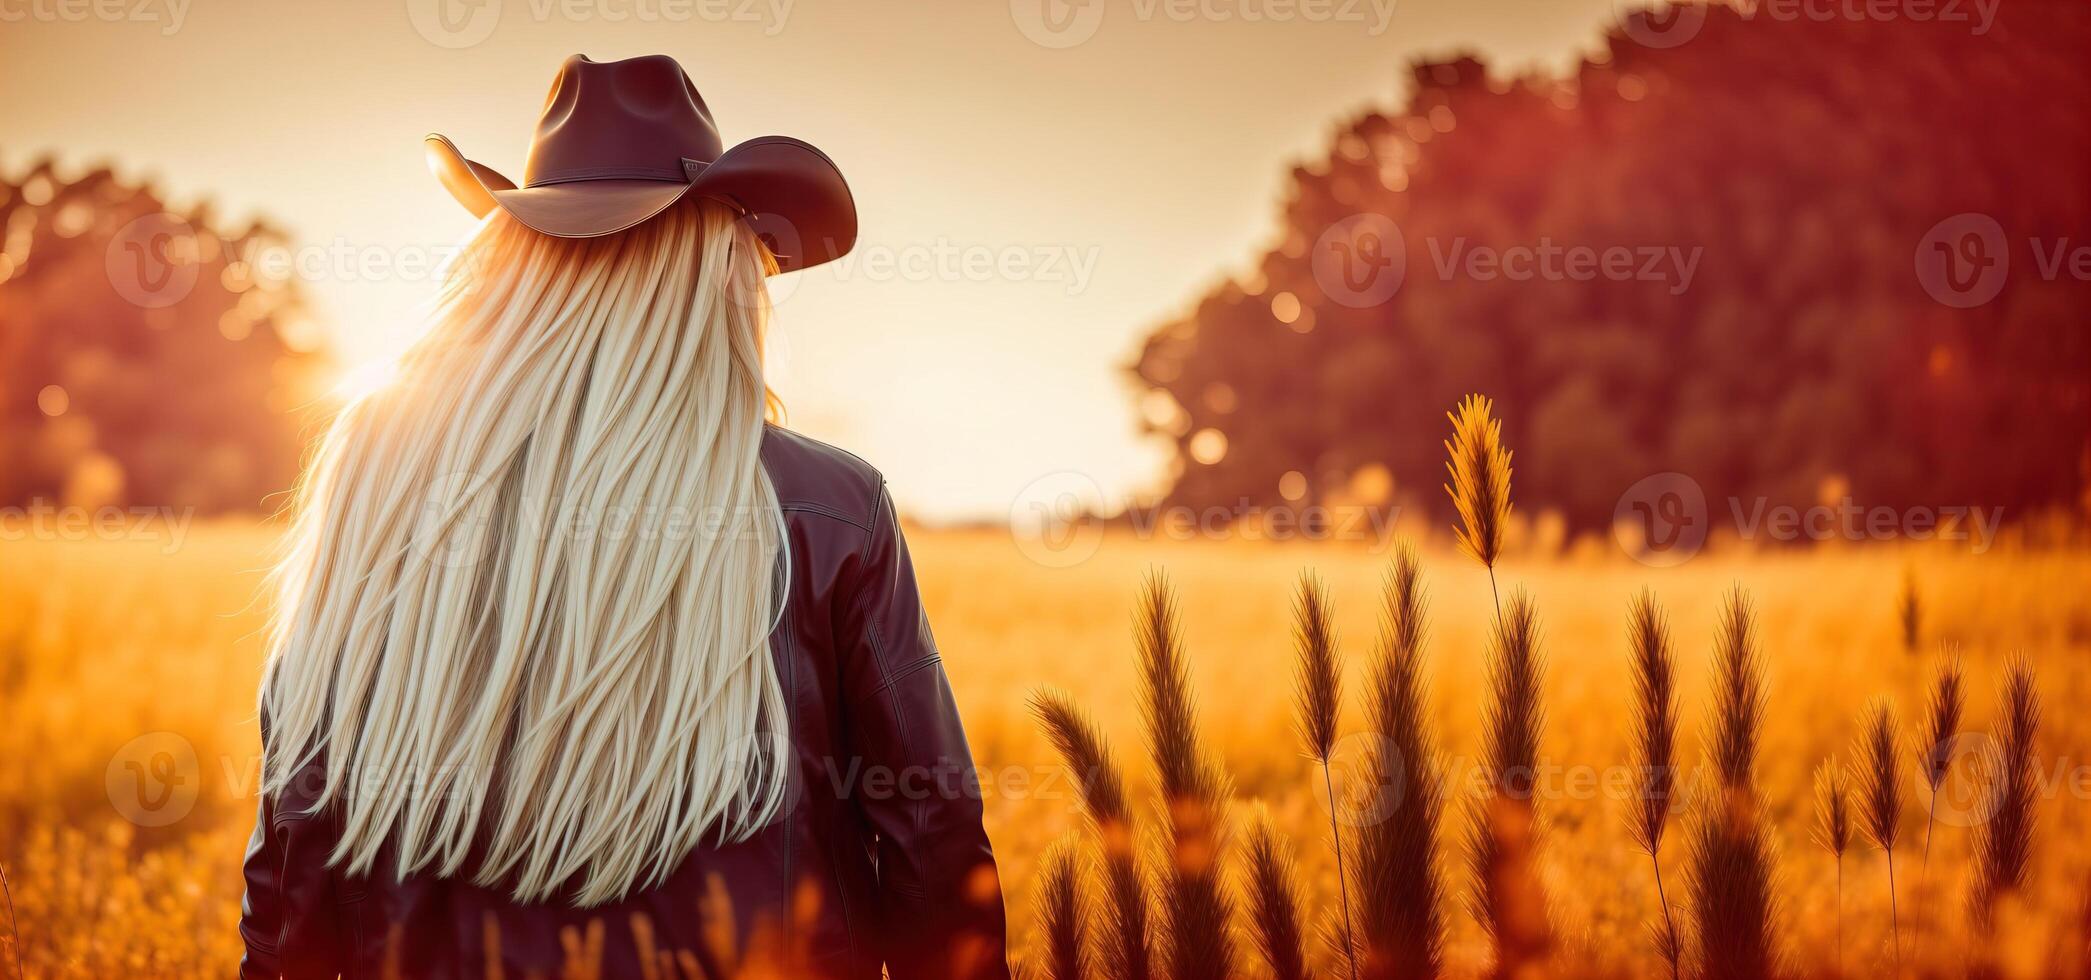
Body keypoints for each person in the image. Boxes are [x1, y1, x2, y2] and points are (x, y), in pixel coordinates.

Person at [240, 54, 1007, 980]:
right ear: (715, 271)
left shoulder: (377, 487)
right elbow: (929, 836)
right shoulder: (826, 510)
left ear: (515, 267)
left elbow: (297, 843)